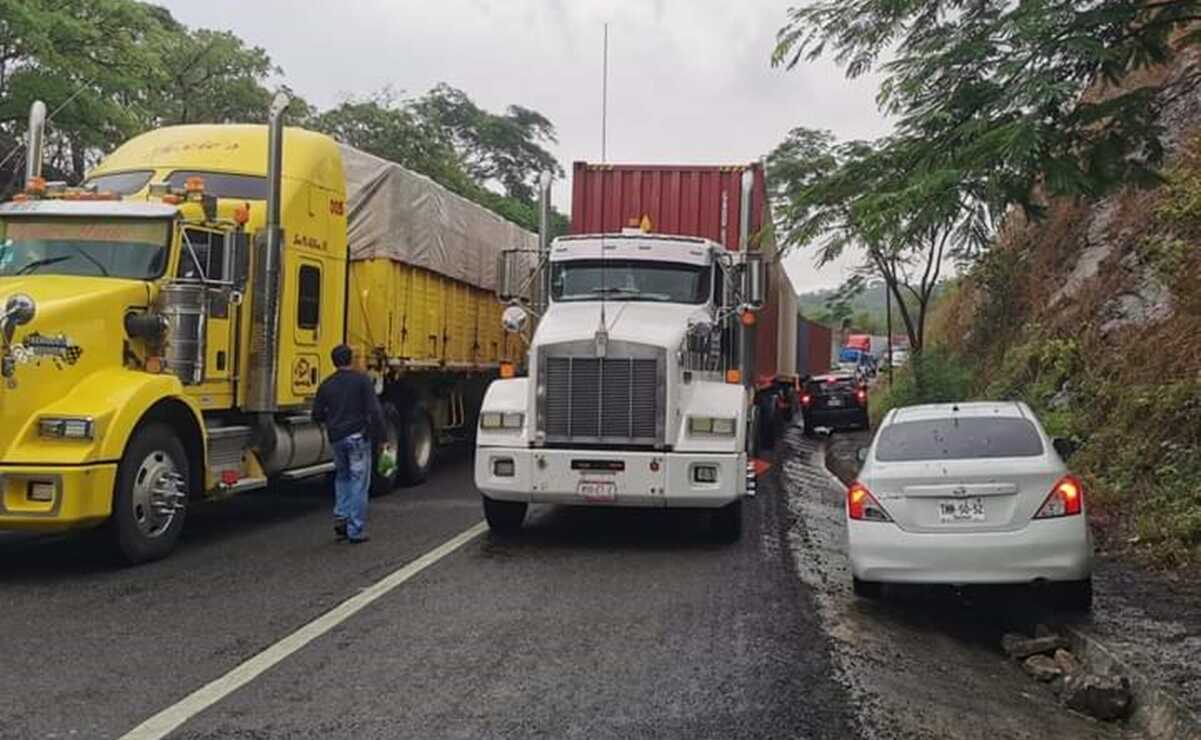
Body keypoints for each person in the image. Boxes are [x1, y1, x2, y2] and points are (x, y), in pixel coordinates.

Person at [312, 344, 386, 544]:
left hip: (336, 438)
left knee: (342, 477)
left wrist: (331, 422)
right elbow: (374, 410)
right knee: (359, 482)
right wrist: (382, 436)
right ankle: (355, 529)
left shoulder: (326, 384)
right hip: (358, 437)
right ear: (351, 360)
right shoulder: (361, 381)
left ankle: (341, 517)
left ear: (333, 361)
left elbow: (317, 414)